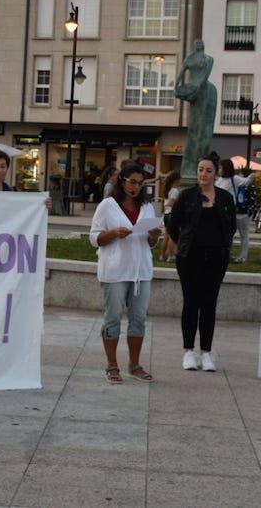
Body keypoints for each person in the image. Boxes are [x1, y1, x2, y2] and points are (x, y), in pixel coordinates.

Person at [89, 162, 162, 384]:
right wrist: (111, 234)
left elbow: (149, 243)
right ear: (122, 181)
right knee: (113, 318)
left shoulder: (148, 207)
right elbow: (94, 238)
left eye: (140, 183)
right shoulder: (107, 206)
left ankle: (134, 364)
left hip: (140, 272)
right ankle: (112, 365)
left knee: (139, 319)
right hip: (115, 270)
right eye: (132, 182)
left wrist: (154, 237)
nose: (136, 187)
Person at [167, 154, 236, 371]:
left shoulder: (225, 198)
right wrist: (183, 243)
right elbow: (172, 223)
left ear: (216, 173)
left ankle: (206, 353)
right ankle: (188, 351)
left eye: (208, 170)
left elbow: (232, 226)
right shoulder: (187, 196)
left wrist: (222, 243)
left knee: (209, 305)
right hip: (189, 258)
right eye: (200, 170)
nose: (203, 174)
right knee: (191, 303)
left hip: (216, 258)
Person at [174, 39, 217, 177]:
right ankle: (191, 166)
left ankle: (198, 163)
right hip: (196, 90)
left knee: (204, 131)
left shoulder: (209, 59)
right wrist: (176, 86)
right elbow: (180, 74)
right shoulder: (190, 58)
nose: (198, 45)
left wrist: (196, 88)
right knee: (195, 129)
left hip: (203, 91)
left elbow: (204, 76)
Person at [215, 159, 256, 263]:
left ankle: (243, 256)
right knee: (226, 234)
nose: (219, 169)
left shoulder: (235, 178)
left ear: (226, 168)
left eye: (220, 167)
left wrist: (252, 175)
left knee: (243, 234)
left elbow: (247, 182)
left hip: (237, 211)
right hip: (224, 212)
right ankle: (226, 254)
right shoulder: (219, 180)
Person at [160, 170, 182, 262]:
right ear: (176, 180)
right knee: (173, 237)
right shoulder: (175, 191)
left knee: (166, 236)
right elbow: (171, 203)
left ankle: (162, 255)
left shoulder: (168, 189)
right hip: (172, 215)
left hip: (166, 215)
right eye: (180, 180)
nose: (181, 182)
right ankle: (171, 255)